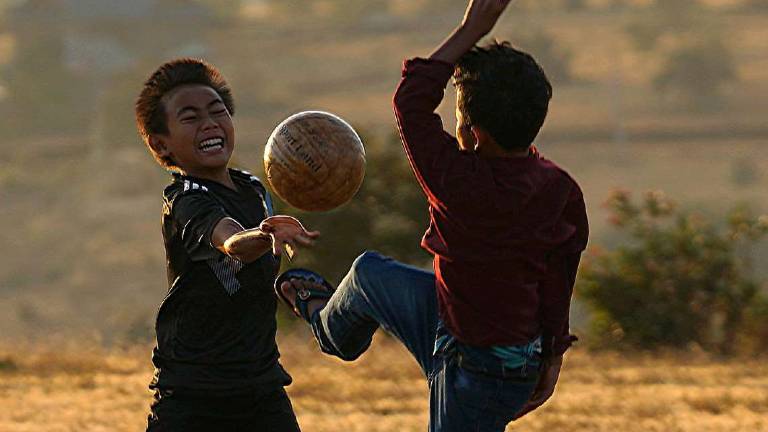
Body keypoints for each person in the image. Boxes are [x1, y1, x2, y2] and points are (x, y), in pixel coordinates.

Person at [276, 1, 589, 431]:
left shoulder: (458, 180)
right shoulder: (561, 189)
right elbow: (559, 281)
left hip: (477, 372)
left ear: (473, 135)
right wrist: (552, 359)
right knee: (368, 274)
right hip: (478, 336)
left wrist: (471, 28)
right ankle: (328, 326)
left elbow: (411, 101)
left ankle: (330, 331)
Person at [135, 58, 319, 432]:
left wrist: (286, 287)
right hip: (193, 395)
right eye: (190, 117)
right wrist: (264, 235)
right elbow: (232, 242)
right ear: (161, 143)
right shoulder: (186, 200)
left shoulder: (254, 189)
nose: (209, 123)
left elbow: (246, 275)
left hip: (260, 385)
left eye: (217, 111)